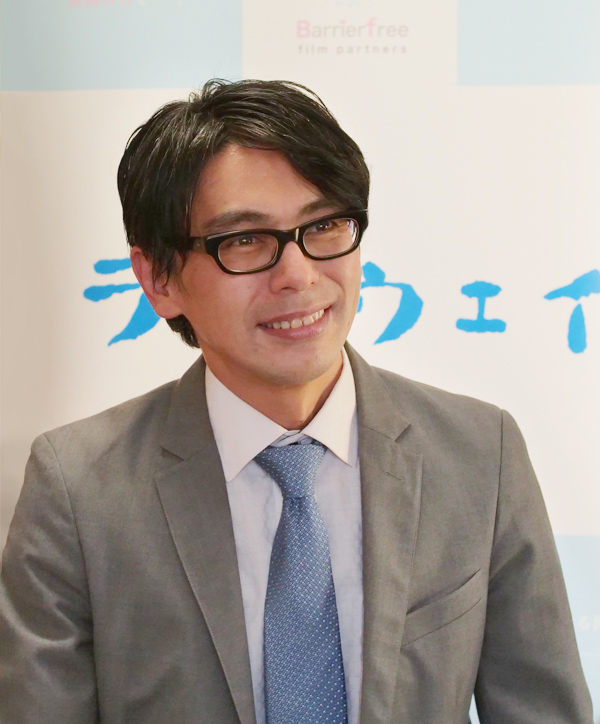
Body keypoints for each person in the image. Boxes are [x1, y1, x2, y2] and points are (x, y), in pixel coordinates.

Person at [0, 79, 592, 724]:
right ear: (159, 278)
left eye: (325, 225)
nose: (299, 275)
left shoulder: (480, 453)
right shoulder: (79, 490)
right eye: (244, 241)